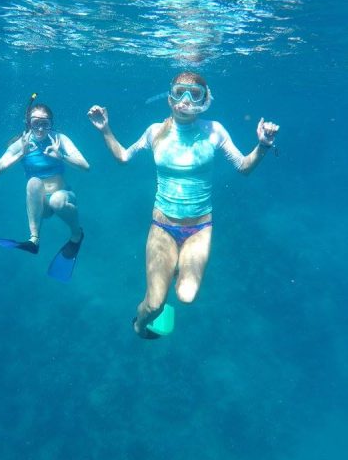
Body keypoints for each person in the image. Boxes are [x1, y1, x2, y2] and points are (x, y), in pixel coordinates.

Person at [87, 72, 279, 339]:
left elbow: (244, 167)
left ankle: (174, 265)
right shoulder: (155, 131)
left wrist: (263, 146)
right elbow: (123, 157)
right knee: (153, 305)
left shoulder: (215, 131)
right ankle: (138, 325)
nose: (186, 100)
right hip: (162, 226)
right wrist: (105, 129)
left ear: (205, 100)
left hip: (200, 228)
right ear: (170, 98)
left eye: (195, 94)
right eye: (180, 92)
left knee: (186, 296)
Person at [0, 97, 89, 280]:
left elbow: (85, 166)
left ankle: (77, 234)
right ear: (29, 123)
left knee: (57, 200)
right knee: (33, 182)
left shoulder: (59, 139)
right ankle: (34, 239)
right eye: (36, 123)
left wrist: (61, 156)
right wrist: (21, 153)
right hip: (41, 205)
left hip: (64, 197)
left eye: (45, 123)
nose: (41, 128)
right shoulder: (22, 142)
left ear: (51, 124)